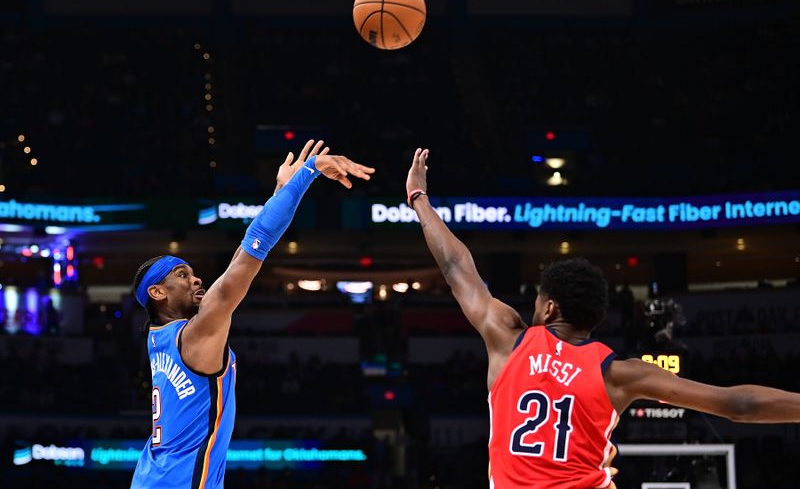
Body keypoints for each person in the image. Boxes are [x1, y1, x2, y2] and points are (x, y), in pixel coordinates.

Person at [405, 148, 800, 488]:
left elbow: (457, 266)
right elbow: (738, 405)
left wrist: (419, 198)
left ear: (549, 308)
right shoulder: (618, 373)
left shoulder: (509, 341)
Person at [130, 140, 374, 489]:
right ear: (157, 292)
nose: (196, 277)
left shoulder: (158, 337)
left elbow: (238, 260)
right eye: (182, 275)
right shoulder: (196, 335)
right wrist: (308, 173)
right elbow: (251, 250)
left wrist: (280, 195)